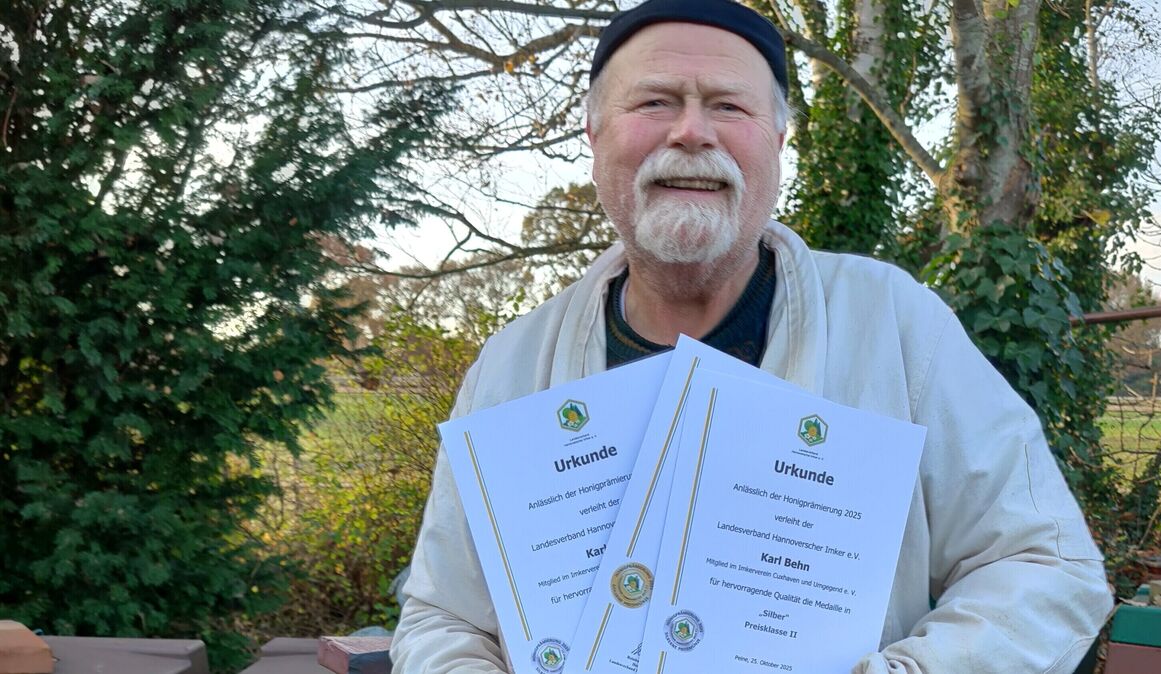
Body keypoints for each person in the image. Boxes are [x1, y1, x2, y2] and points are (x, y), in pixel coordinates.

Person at [389, 0, 1113, 671]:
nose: (691, 131)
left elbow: (1046, 568)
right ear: (594, 131)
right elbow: (443, 617)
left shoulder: (894, 325)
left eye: (728, 106)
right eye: (654, 101)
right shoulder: (513, 364)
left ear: (777, 138)